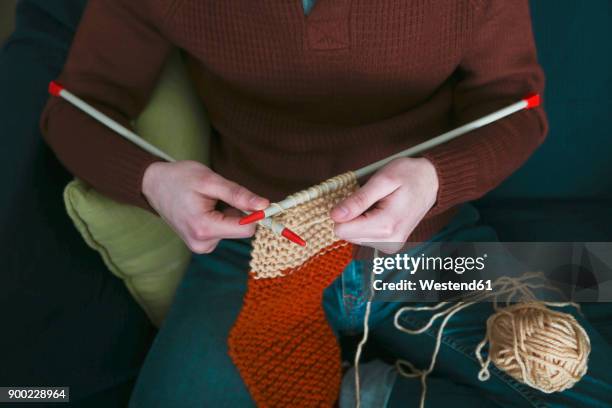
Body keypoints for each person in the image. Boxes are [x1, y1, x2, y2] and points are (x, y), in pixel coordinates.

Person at [39, 0, 611, 407]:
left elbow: (518, 107)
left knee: (589, 379)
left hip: (429, 246)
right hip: (255, 250)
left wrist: (437, 180)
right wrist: (151, 182)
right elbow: (73, 107)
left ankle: (370, 393)